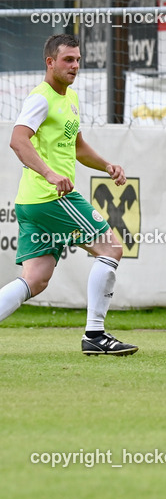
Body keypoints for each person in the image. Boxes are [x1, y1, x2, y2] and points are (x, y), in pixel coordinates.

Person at [0, 34, 137, 355]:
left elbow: (77, 146)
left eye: (77, 60)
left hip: (32, 202)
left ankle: (95, 336)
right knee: (111, 248)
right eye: (68, 60)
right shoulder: (41, 98)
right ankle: (95, 335)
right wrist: (50, 174)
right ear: (50, 62)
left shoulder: (70, 98)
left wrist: (107, 165)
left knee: (36, 279)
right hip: (52, 198)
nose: (75, 65)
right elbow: (18, 140)